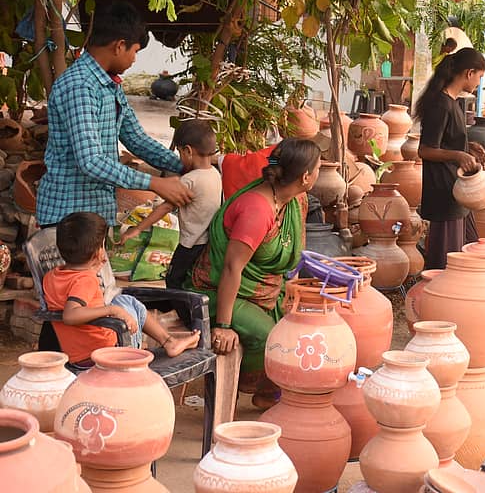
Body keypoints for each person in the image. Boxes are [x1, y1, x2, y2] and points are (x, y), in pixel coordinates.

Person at [37, 1, 192, 228]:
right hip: (68, 218)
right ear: (119, 46)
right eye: (135, 51)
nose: (134, 60)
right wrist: (154, 183)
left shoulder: (109, 85)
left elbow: (136, 139)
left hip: (95, 213)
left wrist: (184, 166)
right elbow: (91, 161)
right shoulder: (80, 85)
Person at [189, 138, 319, 408]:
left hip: (264, 288)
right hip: (217, 291)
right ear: (306, 176)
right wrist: (223, 327)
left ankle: (267, 394)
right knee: (272, 339)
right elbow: (231, 267)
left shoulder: (294, 200)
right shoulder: (257, 209)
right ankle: (236, 387)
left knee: (303, 327)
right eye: (319, 168)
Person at [43, 212, 200, 366]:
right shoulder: (85, 280)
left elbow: (72, 292)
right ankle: (168, 341)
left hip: (79, 356)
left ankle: (169, 342)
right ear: (98, 251)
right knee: (124, 303)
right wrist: (111, 310)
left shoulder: (52, 276)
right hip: (110, 353)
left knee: (122, 300)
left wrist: (91, 271)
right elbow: (70, 315)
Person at [121, 120, 222, 288]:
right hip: (207, 242)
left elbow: (166, 207)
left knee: (173, 279)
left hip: (189, 244)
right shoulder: (215, 174)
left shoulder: (190, 179)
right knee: (191, 279)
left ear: (188, 151)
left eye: (180, 152)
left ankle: (176, 311)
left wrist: (137, 228)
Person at [415, 48, 485, 270]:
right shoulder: (440, 104)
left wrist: (470, 147)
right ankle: (436, 299)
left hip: (458, 191)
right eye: (479, 76)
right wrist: (459, 155)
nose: (478, 82)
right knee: (446, 262)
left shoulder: (453, 102)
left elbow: (448, 139)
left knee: (467, 251)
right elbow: (425, 150)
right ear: (469, 73)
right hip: (444, 191)